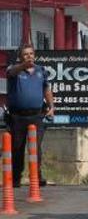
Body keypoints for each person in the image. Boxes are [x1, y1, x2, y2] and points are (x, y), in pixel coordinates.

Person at [6, 43, 54, 188]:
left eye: (31, 54)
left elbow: (46, 89)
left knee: (36, 148)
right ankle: (16, 178)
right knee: (17, 148)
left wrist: (51, 106)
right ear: (21, 57)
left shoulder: (41, 71)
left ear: (34, 55)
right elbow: (11, 73)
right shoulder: (14, 69)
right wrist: (23, 66)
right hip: (18, 117)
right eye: (26, 54)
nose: (29, 56)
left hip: (36, 116)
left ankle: (36, 176)